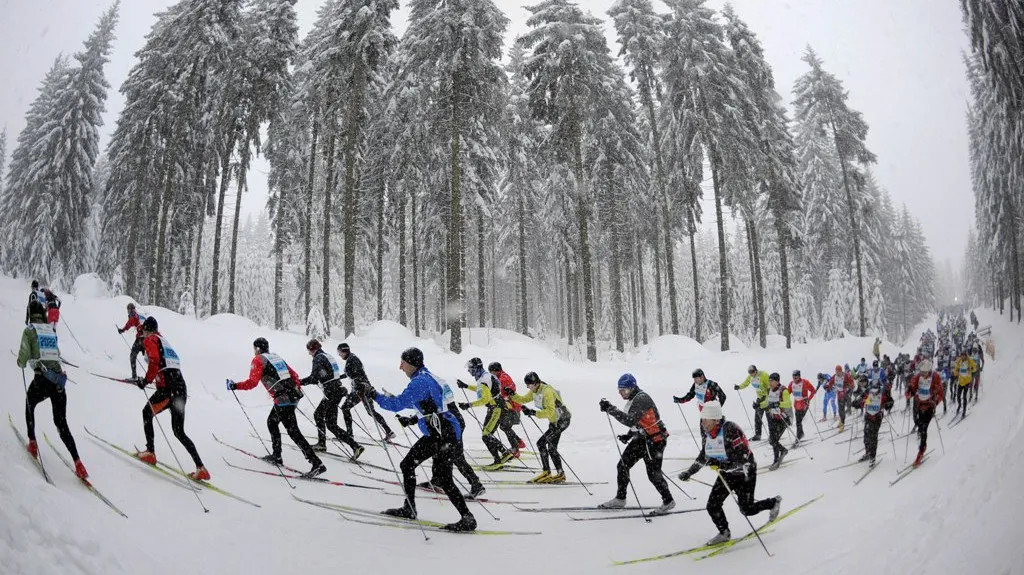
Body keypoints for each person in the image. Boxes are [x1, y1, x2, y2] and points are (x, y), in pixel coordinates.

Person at [371, 347, 477, 532]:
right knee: (429, 473)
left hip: (442, 434)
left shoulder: (419, 382)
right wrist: (413, 419)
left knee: (433, 474)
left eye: (403, 363)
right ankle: (411, 508)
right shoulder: (428, 377)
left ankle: (464, 518)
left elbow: (396, 404)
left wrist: (373, 395)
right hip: (443, 431)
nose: (400, 367)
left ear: (411, 363)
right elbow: (434, 405)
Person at [677, 400, 782, 546]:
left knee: (747, 509)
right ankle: (724, 533)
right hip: (727, 473)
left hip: (745, 472)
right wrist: (689, 472)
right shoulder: (709, 433)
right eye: (702, 420)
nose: (703, 423)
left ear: (715, 419)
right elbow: (704, 456)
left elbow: (742, 458)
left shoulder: (731, 430)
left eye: (706, 420)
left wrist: (719, 463)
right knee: (712, 505)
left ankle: (773, 502)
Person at [227, 337, 325, 478]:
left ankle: (317, 464)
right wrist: (292, 388)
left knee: (293, 432)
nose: (254, 351)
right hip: (291, 396)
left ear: (258, 348)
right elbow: (295, 375)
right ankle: (277, 455)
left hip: (283, 399)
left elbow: (252, 383)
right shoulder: (275, 357)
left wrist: (234, 386)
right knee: (272, 422)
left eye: (254, 349)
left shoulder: (258, 360)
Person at [17, 300, 88, 479]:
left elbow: (23, 357)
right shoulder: (50, 330)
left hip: (42, 380)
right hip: (58, 382)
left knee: (29, 403)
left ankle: (32, 442)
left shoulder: (29, 330)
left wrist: (21, 362)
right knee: (61, 424)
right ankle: (78, 462)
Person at [133, 316, 209, 480]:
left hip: (169, 390)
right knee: (179, 432)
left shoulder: (151, 339)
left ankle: (150, 452)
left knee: (147, 413)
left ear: (146, 329)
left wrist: (145, 381)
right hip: (180, 388)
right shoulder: (163, 340)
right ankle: (200, 467)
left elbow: (154, 360)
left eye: (143, 332)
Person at [598, 374, 674, 514]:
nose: (621, 393)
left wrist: (610, 409)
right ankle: (620, 499)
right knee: (622, 465)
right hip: (642, 439)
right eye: (619, 390)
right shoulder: (634, 398)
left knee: (653, 474)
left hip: (655, 440)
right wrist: (629, 435)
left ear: (632, 388)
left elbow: (631, 420)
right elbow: (639, 422)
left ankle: (668, 501)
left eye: (624, 390)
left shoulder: (641, 398)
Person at [301, 339, 364, 460]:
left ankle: (321, 444)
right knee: (331, 424)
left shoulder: (318, 358)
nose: (309, 353)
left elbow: (314, 378)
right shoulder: (327, 355)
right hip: (337, 391)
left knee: (318, 415)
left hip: (331, 392)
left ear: (312, 349)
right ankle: (356, 446)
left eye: (309, 351)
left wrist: (300, 382)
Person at [511, 372, 571, 484]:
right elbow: (523, 399)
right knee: (550, 447)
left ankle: (549, 472)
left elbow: (550, 412)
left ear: (535, 383)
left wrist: (533, 412)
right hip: (555, 421)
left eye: (529, 385)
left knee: (542, 443)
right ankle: (558, 473)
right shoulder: (536, 390)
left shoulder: (547, 392)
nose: (527, 387)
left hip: (562, 420)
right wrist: (513, 394)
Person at [456, 357, 514, 468]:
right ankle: (502, 455)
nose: (469, 371)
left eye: (470, 368)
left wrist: (468, 405)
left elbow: (485, 399)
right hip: (496, 407)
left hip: (496, 408)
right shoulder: (485, 376)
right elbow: (482, 390)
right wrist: (466, 386)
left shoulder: (483, 379)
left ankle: (501, 457)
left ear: (476, 368)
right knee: (486, 434)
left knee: (486, 435)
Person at [337, 343, 394, 442]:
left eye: (339, 352)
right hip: (364, 388)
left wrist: (359, 386)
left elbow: (357, 374)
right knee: (371, 412)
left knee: (345, 408)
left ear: (344, 351)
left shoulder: (352, 360)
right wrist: (338, 377)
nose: (339, 355)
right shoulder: (352, 359)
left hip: (361, 389)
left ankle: (349, 435)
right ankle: (389, 431)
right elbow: (349, 374)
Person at [905, 359, 944, 468]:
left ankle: (921, 451)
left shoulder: (935, 377)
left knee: (923, 429)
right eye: (921, 372)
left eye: (924, 372)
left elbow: (941, 393)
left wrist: (936, 401)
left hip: (929, 407)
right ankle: (923, 445)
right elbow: (912, 387)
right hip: (919, 405)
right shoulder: (918, 376)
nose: (922, 374)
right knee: (918, 423)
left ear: (929, 371)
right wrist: (909, 392)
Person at [851, 376, 893, 464]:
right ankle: (868, 453)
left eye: (876, 390)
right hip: (868, 416)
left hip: (877, 417)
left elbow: (890, 401)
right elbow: (862, 401)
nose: (874, 392)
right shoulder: (867, 391)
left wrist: (888, 405)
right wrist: (855, 403)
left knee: (873, 437)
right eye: (872, 390)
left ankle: (872, 457)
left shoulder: (883, 393)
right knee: (866, 435)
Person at [488, 361, 525, 454]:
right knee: (505, 427)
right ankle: (519, 442)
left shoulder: (502, 379)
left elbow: (498, 393)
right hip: (510, 406)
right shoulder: (502, 376)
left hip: (512, 407)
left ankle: (515, 449)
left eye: (491, 372)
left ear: (496, 371)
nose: (490, 374)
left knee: (505, 427)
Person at [759, 373, 792, 470]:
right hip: (773, 418)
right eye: (769, 380)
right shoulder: (769, 390)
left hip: (783, 418)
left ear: (777, 381)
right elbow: (767, 403)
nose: (770, 382)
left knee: (773, 440)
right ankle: (778, 456)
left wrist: (778, 403)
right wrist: (759, 405)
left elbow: (788, 404)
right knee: (772, 440)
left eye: (772, 381)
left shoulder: (783, 390)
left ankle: (779, 456)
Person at [735, 365, 769, 440]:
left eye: (753, 372)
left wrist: (765, 397)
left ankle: (773, 435)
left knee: (769, 418)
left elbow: (769, 387)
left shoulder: (763, 375)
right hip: (760, 399)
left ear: (756, 370)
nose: (751, 374)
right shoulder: (750, 377)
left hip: (767, 398)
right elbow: (746, 383)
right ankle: (758, 435)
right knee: (757, 418)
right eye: (750, 372)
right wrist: (739, 387)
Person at [117, 302, 147, 380]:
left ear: (130, 309)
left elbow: (131, 322)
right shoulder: (142, 315)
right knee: (150, 359)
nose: (128, 312)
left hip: (141, 338)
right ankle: (157, 378)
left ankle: (134, 376)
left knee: (132, 355)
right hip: (148, 339)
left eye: (128, 310)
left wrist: (123, 330)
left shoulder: (133, 314)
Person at [787, 370, 816, 441]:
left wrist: (808, 399)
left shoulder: (805, 382)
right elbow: (787, 393)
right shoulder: (791, 384)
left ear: (799, 376)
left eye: (796, 377)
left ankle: (799, 435)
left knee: (799, 420)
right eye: (793, 377)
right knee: (798, 421)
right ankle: (799, 435)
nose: (794, 379)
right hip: (796, 404)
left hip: (804, 404)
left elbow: (813, 390)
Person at [951, 351, 977, 419]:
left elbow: (975, 367)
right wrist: (955, 373)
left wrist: (971, 368)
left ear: (965, 356)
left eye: (963, 356)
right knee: (958, 396)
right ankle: (959, 406)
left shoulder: (969, 360)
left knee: (964, 396)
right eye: (961, 356)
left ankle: (964, 412)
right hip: (961, 381)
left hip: (967, 381)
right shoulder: (959, 361)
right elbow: (956, 370)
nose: (962, 357)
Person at [832, 365, 855, 433]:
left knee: (841, 410)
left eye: (838, 371)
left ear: (841, 371)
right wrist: (828, 386)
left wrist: (850, 387)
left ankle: (842, 424)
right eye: (836, 371)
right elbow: (830, 382)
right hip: (839, 395)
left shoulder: (846, 375)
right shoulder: (835, 376)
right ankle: (841, 421)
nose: (837, 373)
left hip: (845, 394)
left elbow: (852, 381)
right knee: (840, 409)